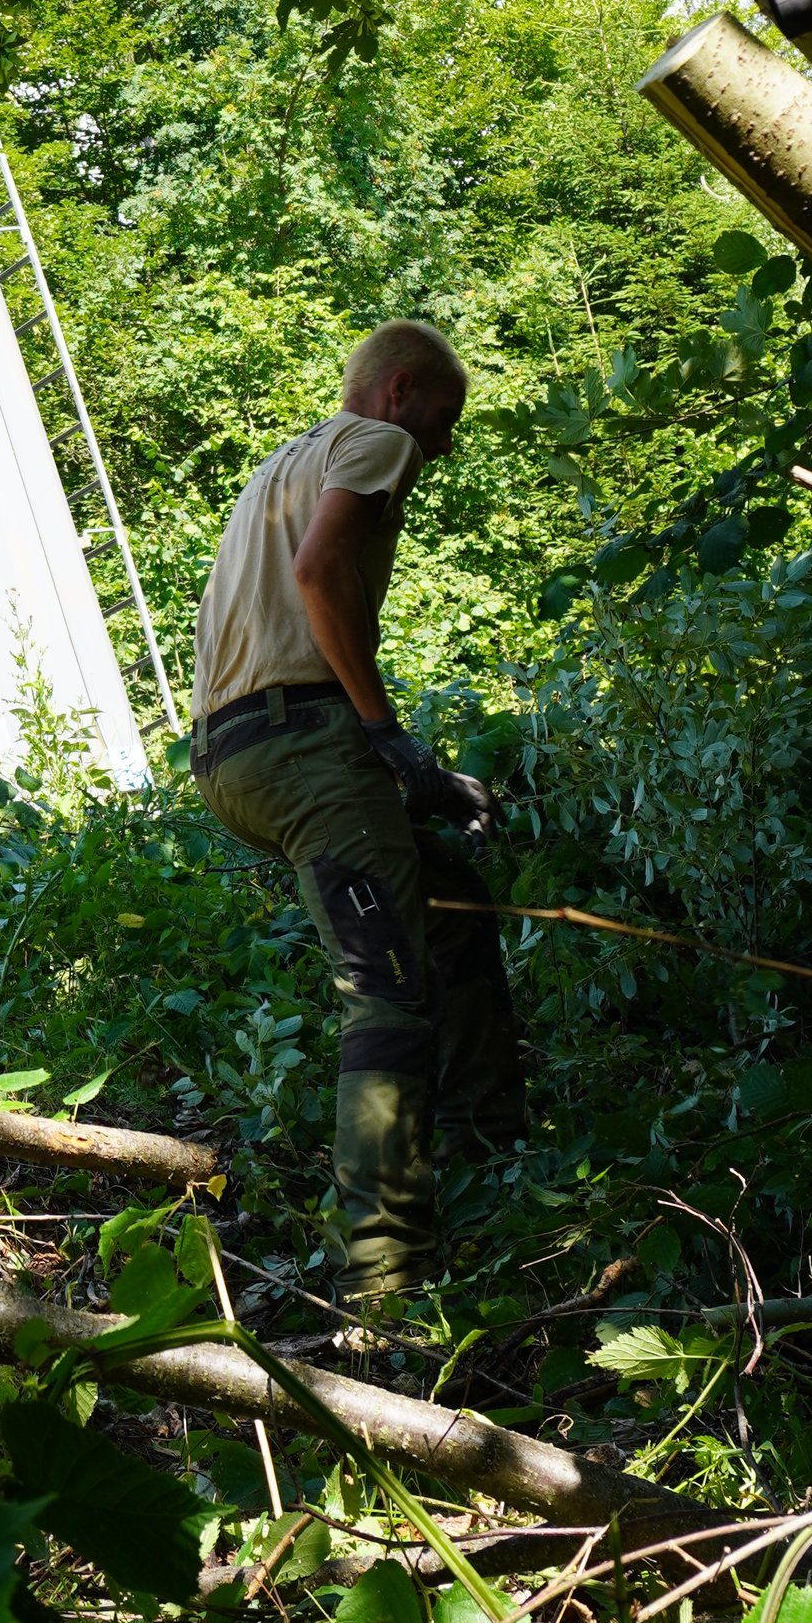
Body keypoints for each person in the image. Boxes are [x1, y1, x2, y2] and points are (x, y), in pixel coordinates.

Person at [189, 319, 523, 1308]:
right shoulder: (373, 441)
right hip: (306, 746)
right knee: (386, 988)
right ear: (399, 390)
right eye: (443, 418)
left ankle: (487, 1153)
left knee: (449, 901)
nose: (444, 445)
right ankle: (380, 1278)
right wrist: (385, 735)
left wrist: (409, 769)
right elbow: (321, 572)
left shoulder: (278, 469)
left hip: (235, 757)